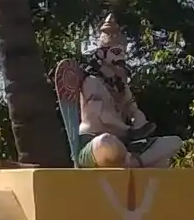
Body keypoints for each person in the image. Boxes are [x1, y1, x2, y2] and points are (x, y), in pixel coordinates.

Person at [76, 17, 183, 170]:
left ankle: (131, 161)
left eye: (123, 53)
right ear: (101, 54)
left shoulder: (121, 85)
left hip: (125, 144)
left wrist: (141, 124)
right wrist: (129, 130)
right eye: (116, 52)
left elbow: (133, 109)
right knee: (107, 143)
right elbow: (101, 118)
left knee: (175, 142)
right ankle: (134, 161)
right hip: (95, 142)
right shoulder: (92, 82)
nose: (121, 58)